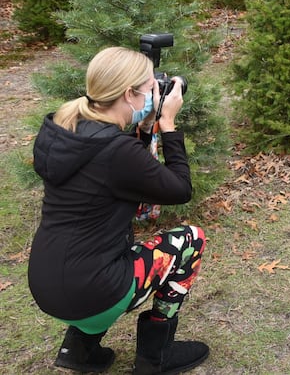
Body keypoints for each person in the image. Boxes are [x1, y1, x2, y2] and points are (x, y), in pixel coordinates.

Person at [27, 47, 209, 374]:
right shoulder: (114, 150)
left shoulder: (66, 126)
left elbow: (125, 171)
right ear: (129, 94)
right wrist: (167, 124)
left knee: (105, 251)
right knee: (191, 240)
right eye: (149, 88)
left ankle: (79, 350)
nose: (154, 93)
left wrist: (146, 123)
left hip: (46, 282)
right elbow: (180, 189)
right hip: (93, 292)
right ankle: (156, 357)